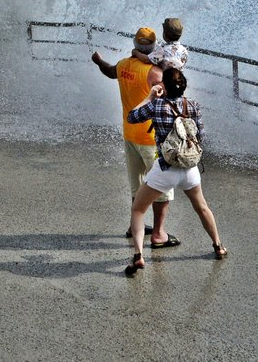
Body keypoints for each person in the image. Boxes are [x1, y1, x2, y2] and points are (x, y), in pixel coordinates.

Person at [123, 66, 227, 277]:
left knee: (138, 209)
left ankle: (138, 256)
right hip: (190, 168)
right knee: (202, 207)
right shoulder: (194, 106)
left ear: (164, 86)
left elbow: (132, 117)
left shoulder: (157, 106)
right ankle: (218, 246)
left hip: (165, 168)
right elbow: (201, 135)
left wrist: (150, 97)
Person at [91, 27, 178, 248]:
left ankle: (134, 225)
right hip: (152, 139)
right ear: (154, 47)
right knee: (161, 186)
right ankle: (159, 234)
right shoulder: (154, 73)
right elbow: (172, 95)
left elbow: (109, 71)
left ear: (136, 44)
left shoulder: (123, 65)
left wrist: (98, 60)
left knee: (137, 184)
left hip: (130, 134)